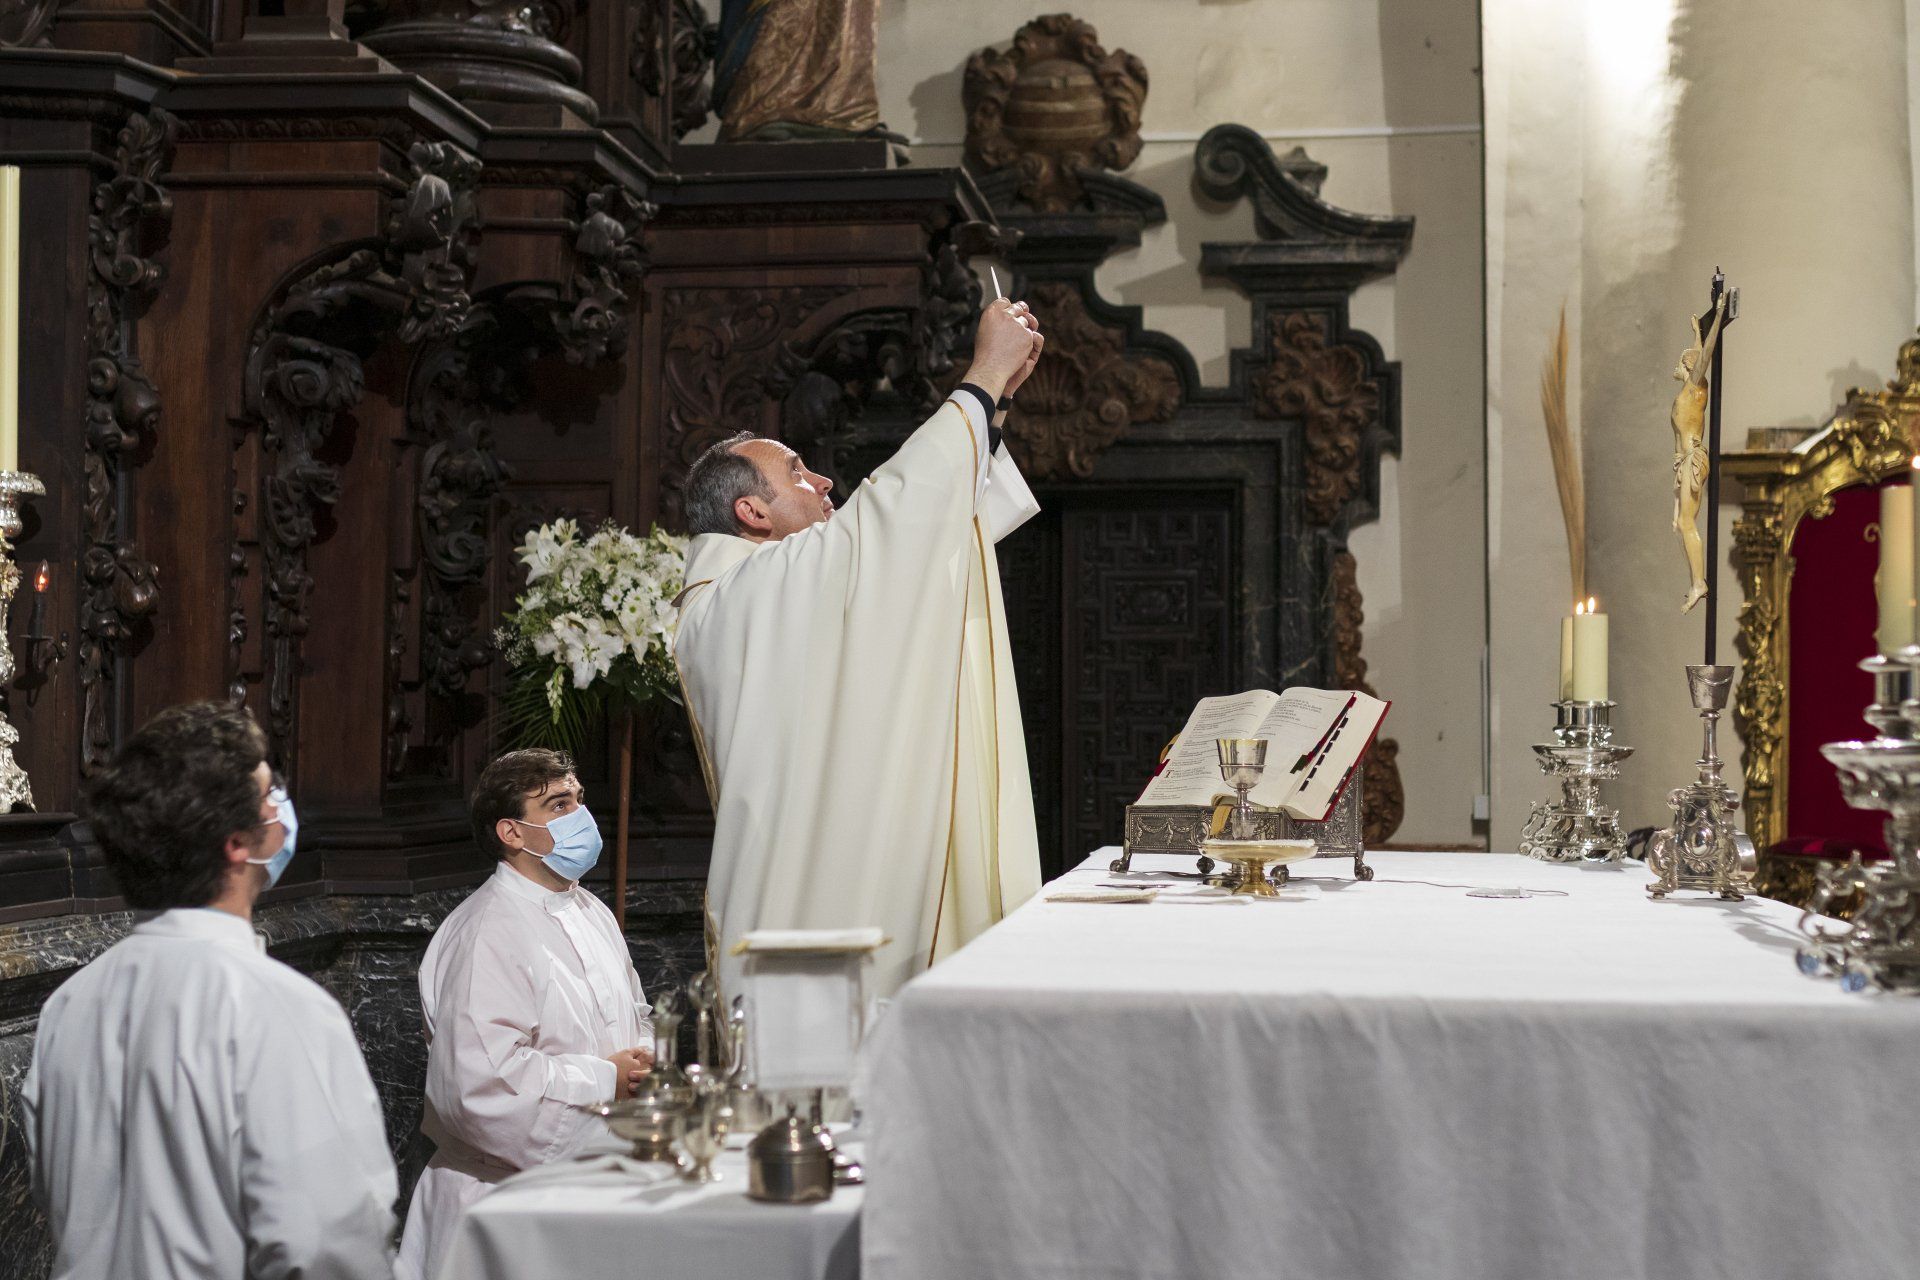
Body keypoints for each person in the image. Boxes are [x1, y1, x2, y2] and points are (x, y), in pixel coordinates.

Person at [674, 297, 1047, 1001]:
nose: (823, 482)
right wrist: (983, 377)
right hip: (798, 917)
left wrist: (993, 408)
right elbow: (889, 517)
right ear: (751, 512)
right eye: (797, 472)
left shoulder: (780, 586)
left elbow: (923, 531)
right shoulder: (737, 597)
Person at [22, 702, 397, 1280]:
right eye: (271, 794)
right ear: (237, 842)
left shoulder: (69, 1004)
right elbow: (326, 1243)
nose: (282, 808)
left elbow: (59, 1195)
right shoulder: (277, 1007)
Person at [396, 749, 654, 1280]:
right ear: (511, 832)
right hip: (501, 1200)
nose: (581, 816)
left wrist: (644, 1061)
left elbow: (635, 1014)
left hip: (593, 1183)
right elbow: (480, 1085)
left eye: (579, 799)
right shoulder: (488, 931)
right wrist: (606, 1079)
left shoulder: (590, 910)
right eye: (559, 805)